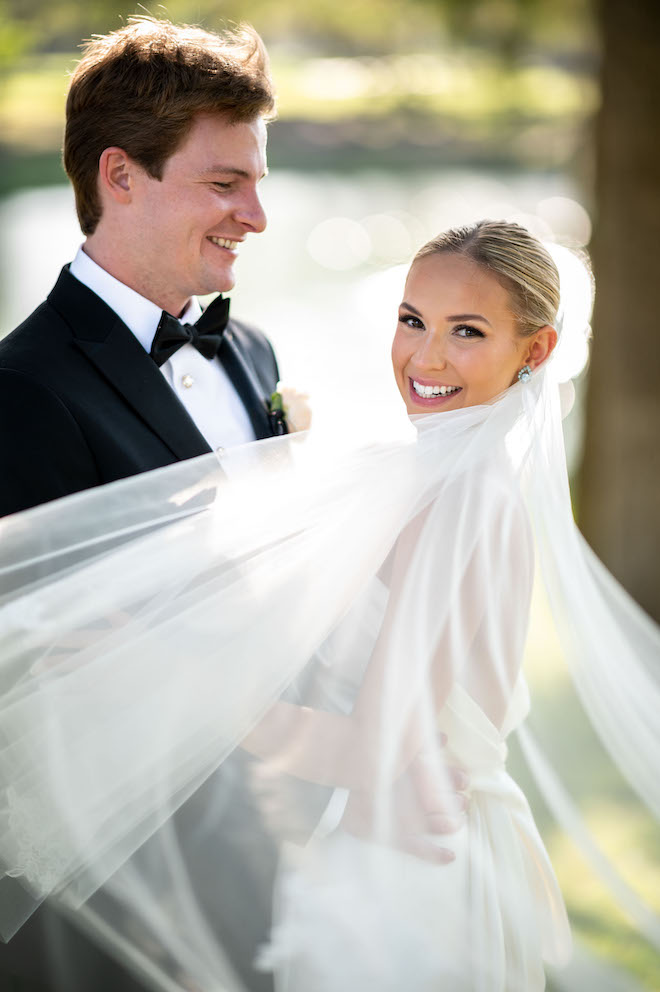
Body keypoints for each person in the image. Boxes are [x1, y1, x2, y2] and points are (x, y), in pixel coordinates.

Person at [0, 220, 658, 992]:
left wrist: (159, 671)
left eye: (467, 332)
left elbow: (371, 755)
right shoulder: (427, 475)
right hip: (383, 838)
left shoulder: (465, 500)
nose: (426, 357)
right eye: (412, 321)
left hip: (405, 866)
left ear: (535, 351)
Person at [0, 16, 282, 522]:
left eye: (257, 183)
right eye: (223, 184)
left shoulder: (255, 350)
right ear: (122, 175)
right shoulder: (20, 390)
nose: (257, 219)